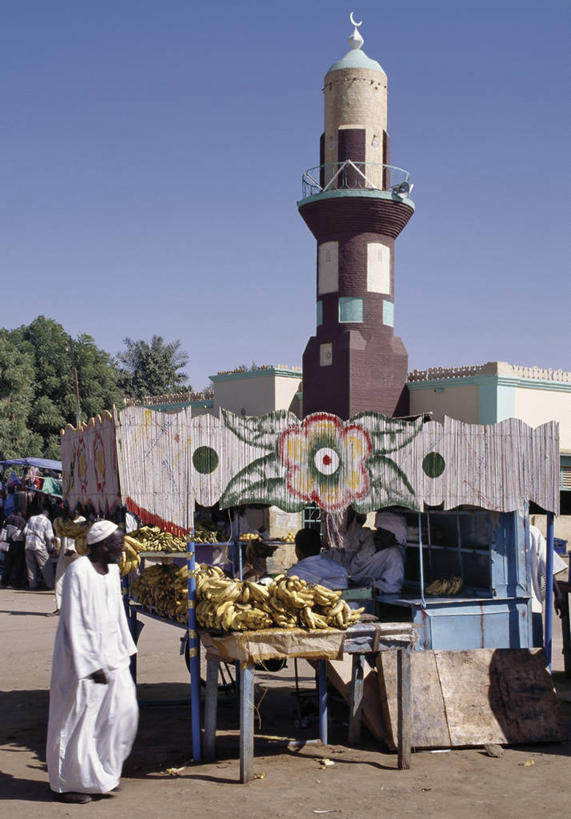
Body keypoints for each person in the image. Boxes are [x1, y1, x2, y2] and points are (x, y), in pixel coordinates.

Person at [46, 520, 138, 804]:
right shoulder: (78, 572)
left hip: (113, 655)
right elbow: (74, 621)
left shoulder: (111, 571)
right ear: (101, 545)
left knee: (123, 713)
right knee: (77, 719)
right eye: (117, 544)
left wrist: (124, 650)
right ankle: (68, 784)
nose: (122, 549)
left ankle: (101, 775)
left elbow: (116, 613)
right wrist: (88, 664)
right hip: (80, 661)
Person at [329, 508, 407, 593]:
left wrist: (368, 589)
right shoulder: (370, 538)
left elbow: (391, 584)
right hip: (345, 576)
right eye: (378, 531)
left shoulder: (394, 556)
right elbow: (352, 538)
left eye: (384, 534)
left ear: (395, 538)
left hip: (361, 590)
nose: (378, 536)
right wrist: (358, 517)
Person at [528, 524, 567, 647]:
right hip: (531, 605)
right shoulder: (531, 531)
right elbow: (548, 567)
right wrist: (558, 594)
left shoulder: (486, 528)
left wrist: (558, 595)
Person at [49, 512, 87, 616]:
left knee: (79, 580)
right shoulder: (64, 521)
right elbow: (59, 537)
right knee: (59, 580)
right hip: (64, 554)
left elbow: (83, 538)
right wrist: (56, 544)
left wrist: (73, 549)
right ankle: (60, 607)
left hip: (77, 554)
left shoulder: (83, 521)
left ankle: (79, 608)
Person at [24, 508, 55, 589]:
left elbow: (24, 531)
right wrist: (51, 548)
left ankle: (32, 585)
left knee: (30, 566)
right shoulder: (47, 521)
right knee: (46, 565)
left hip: (28, 544)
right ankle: (50, 585)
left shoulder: (31, 518)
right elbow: (49, 537)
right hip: (39, 545)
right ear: (47, 514)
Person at [1, 510, 27, 588]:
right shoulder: (22, 521)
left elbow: (3, 532)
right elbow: (18, 533)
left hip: (9, 544)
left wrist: (6, 540)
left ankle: (4, 582)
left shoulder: (8, 519)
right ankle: (16, 583)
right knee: (18, 565)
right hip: (19, 544)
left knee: (8, 564)